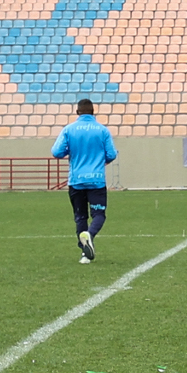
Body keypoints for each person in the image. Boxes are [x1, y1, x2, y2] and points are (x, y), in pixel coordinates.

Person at [51, 99, 117, 264]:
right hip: (96, 180)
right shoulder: (102, 130)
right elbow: (111, 154)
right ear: (93, 112)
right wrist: (100, 161)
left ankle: (84, 254)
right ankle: (90, 234)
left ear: (77, 112)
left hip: (76, 180)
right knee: (99, 214)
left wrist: (70, 151)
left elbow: (57, 152)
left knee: (80, 217)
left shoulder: (69, 129)